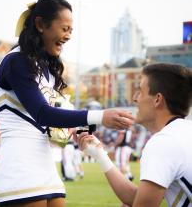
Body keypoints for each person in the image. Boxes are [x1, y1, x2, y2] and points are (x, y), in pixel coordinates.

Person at [0, 0, 135, 207]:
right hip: (19, 164)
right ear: (41, 24)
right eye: (64, 28)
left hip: (45, 161)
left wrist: (79, 133)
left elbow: (57, 114)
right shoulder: (16, 61)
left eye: (71, 30)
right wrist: (100, 116)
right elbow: (42, 113)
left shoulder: (45, 68)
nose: (68, 36)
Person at [75, 63, 192, 207]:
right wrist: (100, 155)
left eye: (140, 91)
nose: (135, 98)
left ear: (157, 99)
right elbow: (138, 198)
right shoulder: (183, 132)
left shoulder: (164, 142)